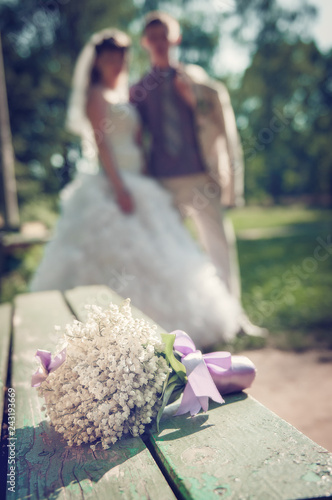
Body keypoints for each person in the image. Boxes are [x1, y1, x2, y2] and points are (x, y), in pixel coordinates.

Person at [29, 28, 243, 348]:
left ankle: (182, 324)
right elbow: (103, 146)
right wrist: (119, 188)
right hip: (114, 184)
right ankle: (108, 337)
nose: (116, 63)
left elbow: (142, 141)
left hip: (143, 182)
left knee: (166, 253)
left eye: (121, 58)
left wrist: (142, 176)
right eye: (109, 57)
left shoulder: (126, 94)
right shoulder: (95, 95)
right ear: (97, 61)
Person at [130, 12, 266, 337]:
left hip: (201, 178)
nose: (160, 42)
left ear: (175, 38)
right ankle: (178, 325)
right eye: (153, 37)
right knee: (169, 252)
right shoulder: (139, 90)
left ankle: (235, 319)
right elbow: (133, 137)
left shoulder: (198, 81)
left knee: (219, 247)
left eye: (165, 35)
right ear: (145, 43)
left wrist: (193, 100)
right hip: (162, 185)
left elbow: (224, 127)